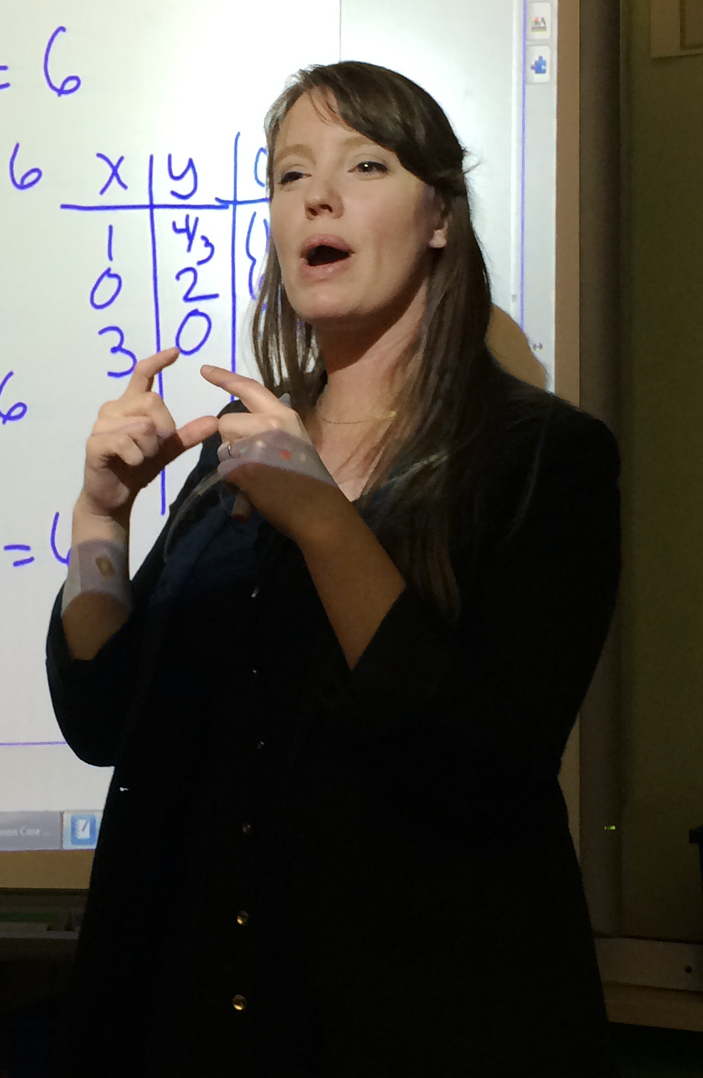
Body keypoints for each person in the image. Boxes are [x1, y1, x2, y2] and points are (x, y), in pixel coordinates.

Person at [44, 61, 620, 1077]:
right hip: (193, 1026)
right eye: (287, 174)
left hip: (420, 1033)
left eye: (365, 163)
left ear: (439, 215)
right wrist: (102, 515)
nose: (316, 194)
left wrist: (323, 521)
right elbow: (107, 721)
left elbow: (484, 766)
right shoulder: (236, 456)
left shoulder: (542, 458)